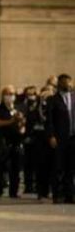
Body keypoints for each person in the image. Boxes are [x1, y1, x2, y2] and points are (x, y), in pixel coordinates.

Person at [0, 84, 24, 199]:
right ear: (3, 96)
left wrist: (21, 125)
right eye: (7, 94)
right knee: (0, 167)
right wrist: (10, 121)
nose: (10, 96)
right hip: (2, 140)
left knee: (16, 167)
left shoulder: (19, 108)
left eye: (12, 94)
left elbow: (23, 124)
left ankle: (14, 192)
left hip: (16, 141)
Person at [46, 73, 75, 204]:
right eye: (65, 82)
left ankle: (70, 195)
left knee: (71, 167)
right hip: (59, 138)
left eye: (70, 82)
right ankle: (57, 194)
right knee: (58, 167)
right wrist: (51, 135)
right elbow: (49, 121)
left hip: (72, 138)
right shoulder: (53, 100)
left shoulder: (74, 98)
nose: (68, 85)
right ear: (60, 84)